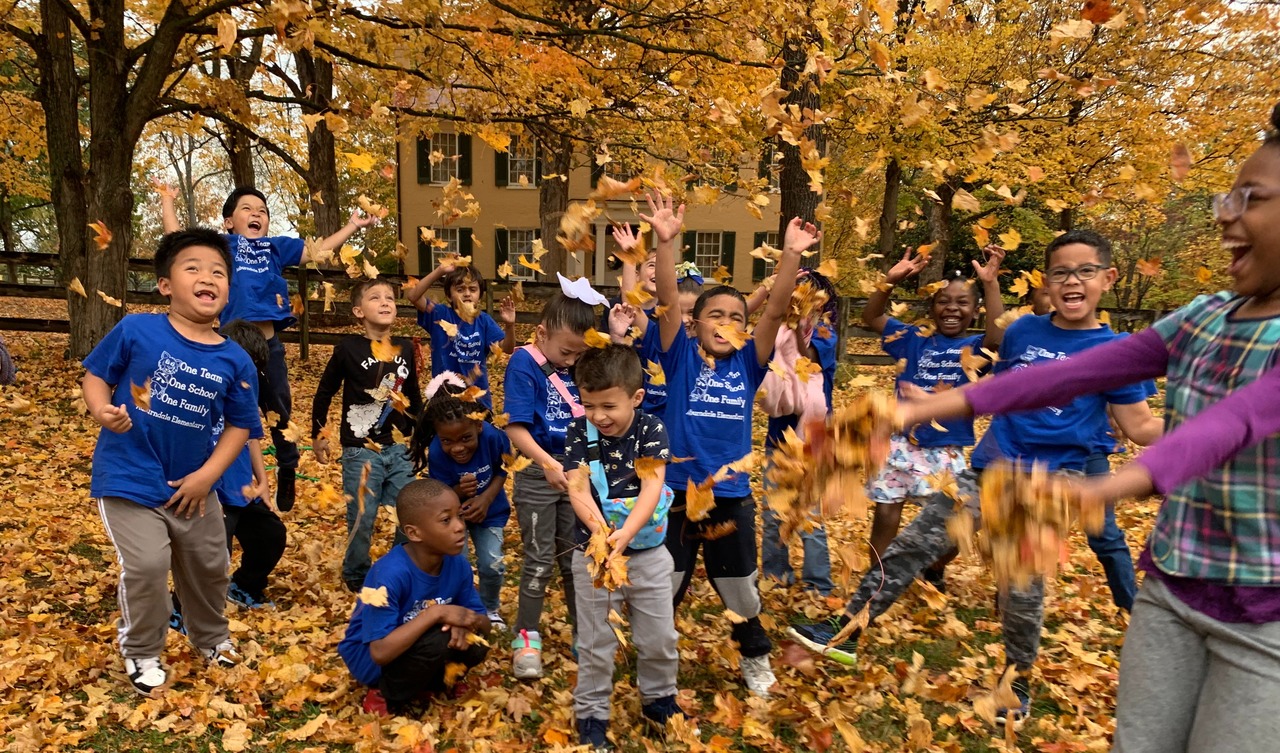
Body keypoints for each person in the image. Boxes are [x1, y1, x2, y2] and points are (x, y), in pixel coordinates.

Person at [895, 104, 1280, 752]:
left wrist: (1110, 486)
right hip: (1172, 589)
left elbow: (1229, 424)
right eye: (1228, 194)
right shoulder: (1203, 315)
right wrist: (925, 408)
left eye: (1252, 197)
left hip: (1264, 617)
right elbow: (1061, 375)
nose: (1225, 212)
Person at [791, 230, 1163, 727]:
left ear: (1108, 278)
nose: (1073, 281)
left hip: (1048, 485)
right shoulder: (1023, 332)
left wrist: (1201, 420)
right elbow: (996, 388)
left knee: (1021, 591)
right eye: (1061, 272)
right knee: (910, 548)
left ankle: (1015, 684)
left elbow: (1139, 427)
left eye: (1085, 271)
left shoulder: (1120, 350)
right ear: (1048, 282)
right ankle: (844, 630)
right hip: (989, 464)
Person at [647, 189, 821, 697]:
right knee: (667, 586)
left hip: (729, 497)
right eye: (715, 316)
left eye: (736, 318)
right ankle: (660, 662)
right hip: (677, 494)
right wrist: (665, 243)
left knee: (740, 587)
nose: (727, 324)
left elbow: (774, 313)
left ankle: (753, 655)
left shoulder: (747, 363)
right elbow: (662, 302)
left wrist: (790, 255)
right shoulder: (678, 357)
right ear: (695, 323)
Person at [82, 228, 262, 695]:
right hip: (129, 478)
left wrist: (207, 477)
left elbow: (240, 427)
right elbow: (95, 376)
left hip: (194, 487)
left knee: (210, 565)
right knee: (146, 565)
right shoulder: (137, 329)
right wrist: (101, 409)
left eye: (219, 272)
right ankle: (142, 650)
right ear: (166, 285)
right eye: (194, 268)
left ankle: (211, 638)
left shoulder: (236, 360)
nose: (208, 277)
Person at [158, 183, 379, 511]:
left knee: (279, 409)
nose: (256, 214)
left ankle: (287, 467)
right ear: (229, 221)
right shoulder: (224, 246)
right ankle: (225, 472)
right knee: (228, 411)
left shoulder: (275, 248)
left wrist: (351, 226)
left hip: (268, 346)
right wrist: (167, 200)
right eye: (247, 209)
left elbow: (316, 251)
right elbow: (179, 243)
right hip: (230, 345)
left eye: (262, 210)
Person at [861, 246, 1007, 591]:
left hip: (945, 449)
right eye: (944, 301)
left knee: (954, 526)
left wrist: (991, 284)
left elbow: (998, 336)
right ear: (931, 306)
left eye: (962, 302)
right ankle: (881, 582)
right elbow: (872, 318)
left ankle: (934, 566)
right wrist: (889, 282)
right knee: (885, 514)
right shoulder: (913, 339)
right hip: (898, 443)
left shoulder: (976, 346)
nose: (952, 308)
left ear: (975, 311)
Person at [564, 345, 687, 750]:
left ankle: (659, 699)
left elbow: (653, 486)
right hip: (596, 558)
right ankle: (592, 714)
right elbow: (577, 487)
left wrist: (626, 534)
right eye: (589, 405)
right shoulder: (578, 433)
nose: (598, 416)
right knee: (596, 640)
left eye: (608, 406)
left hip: (650, 554)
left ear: (635, 398)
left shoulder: (651, 430)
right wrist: (601, 534)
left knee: (659, 637)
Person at [503, 288, 598, 678]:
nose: (573, 362)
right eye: (567, 353)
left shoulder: (581, 363)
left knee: (577, 557)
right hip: (537, 472)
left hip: (578, 472)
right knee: (540, 558)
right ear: (541, 335)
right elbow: (516, 427)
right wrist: (545, 463)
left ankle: (585, 633)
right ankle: (527, 636)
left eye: (580, 354)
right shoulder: (524, 364)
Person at [337, 479, 490, 716]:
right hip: (371, 660)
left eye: (459, 516)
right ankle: (382, 692)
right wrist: (436, 613)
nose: (460, 526)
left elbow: (485, 623)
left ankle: (436, 682)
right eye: (446, 520)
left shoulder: (457, 563)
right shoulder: (389, 575)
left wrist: (466, 623)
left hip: (420, 646)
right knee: (438, 641)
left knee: (474, 640)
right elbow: (379, 652)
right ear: (414, 533)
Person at [311, 278, 424, 593]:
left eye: (390, 297)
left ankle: (398, 569)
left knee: (406, 513)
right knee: (363, 517)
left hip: (399, 448)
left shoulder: (404, 347)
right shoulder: (348, 348)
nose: (386, 302)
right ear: (359, 311)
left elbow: (413, 396)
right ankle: (357, 575)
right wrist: (319, 433)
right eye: (376, 298)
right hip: (360, 449)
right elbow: (324, 392)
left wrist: (420, 437)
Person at [751, 268, 842, 595]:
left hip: (813, 441)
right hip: (779, 439)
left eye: (808, 299)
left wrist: (801, 330)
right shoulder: (777, 333)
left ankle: (819, 583)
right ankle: (777, 574)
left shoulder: (825, 334)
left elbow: (809, 361)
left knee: (809, 516)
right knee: (775, 512)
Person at [410, 372, 512, 630]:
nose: (457, 448)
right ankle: (461, 608)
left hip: (491, 512)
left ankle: (489, 608)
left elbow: (503, 468)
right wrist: (458, 491)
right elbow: (439, 496)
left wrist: (486, 500)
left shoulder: (493, 436)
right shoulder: (436, 452)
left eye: (465, 438)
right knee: (458, 564)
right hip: (454, 517)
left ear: (478, 426)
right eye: (448, 441)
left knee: (492, 564)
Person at [217, 319, 288, 609]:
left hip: (242, 489)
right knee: (213, 556)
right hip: (213, 490)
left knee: (271, 536)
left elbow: (252, 435)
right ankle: (181, 608)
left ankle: (245, 587)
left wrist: (263, 483)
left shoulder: (247, 388)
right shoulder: (210, 385)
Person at [404, 259, 515, 408]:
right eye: (460, 289)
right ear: (449, 296)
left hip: (477, 397)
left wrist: (509, 325)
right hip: (444, 396)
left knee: (483, 431)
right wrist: (440, 271)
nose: (467, 294)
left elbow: (507, 348)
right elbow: (413, 296)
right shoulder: (439, 314)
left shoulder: (484, 321)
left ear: (480, 295)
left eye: (473, 289)